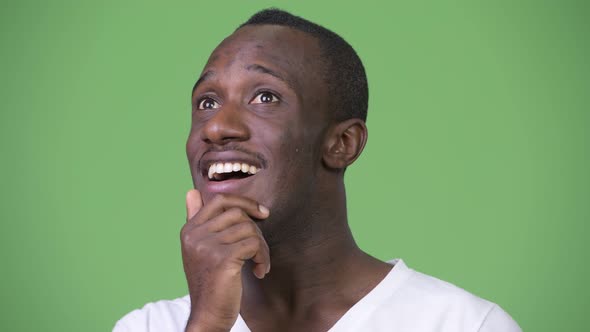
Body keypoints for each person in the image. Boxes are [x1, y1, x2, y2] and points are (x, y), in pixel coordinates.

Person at [114, 8, 521, 332]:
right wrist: (208, 325)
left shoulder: (463, 325)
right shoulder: (150, 327)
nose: (218, 127)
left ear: (342, 144)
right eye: (207, 102)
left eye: (265, 96)